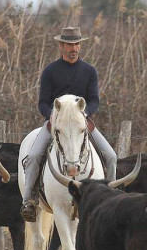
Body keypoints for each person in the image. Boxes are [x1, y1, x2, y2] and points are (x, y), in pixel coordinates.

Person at [20, 26, 117, 222]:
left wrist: (84, 114)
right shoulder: (50, 71)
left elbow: (94, 100)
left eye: (77, 44)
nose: (74, 48)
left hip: (81, 122)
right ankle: (29, 200)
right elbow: (43, 103)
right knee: (33, 156)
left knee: (111, 156)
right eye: (70, 44)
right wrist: (53, 117)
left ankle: (111, 200)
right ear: (61, 46)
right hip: (56, 124)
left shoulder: (89, 71)